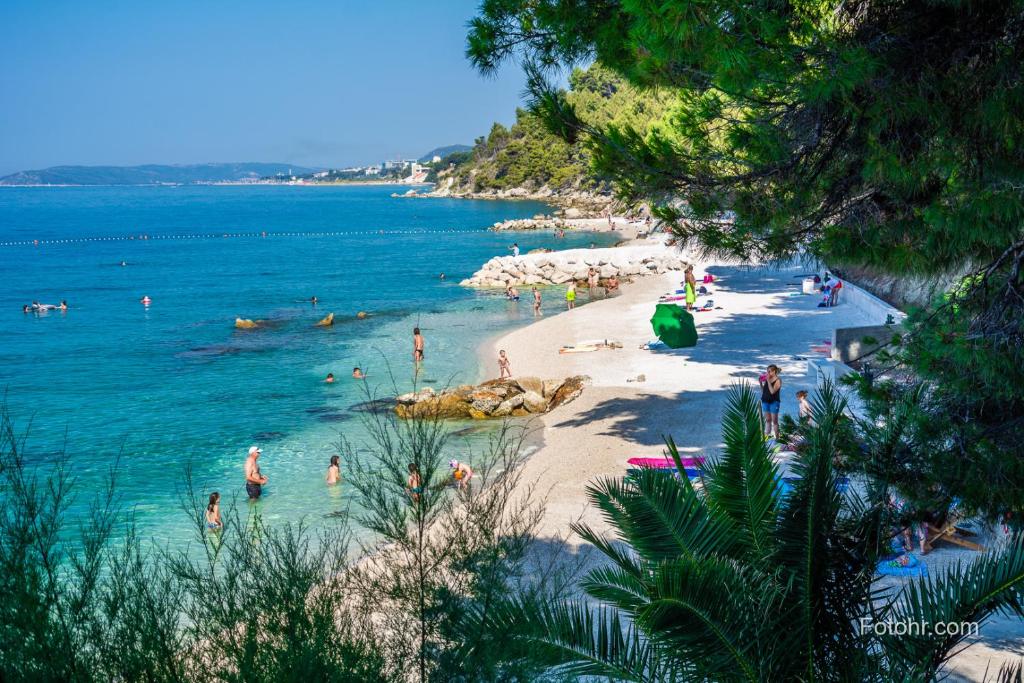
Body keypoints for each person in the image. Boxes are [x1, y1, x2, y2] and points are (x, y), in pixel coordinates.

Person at [760, 365, 783, 439]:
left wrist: (768, 381)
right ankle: (766, 437)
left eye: (769, 371)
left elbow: (772, 391)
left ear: (774, 371)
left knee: (775, 421)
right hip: (765, 401)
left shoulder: (778, 380)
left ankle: (777, 438)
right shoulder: (768, 379)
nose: (768, 373)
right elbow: (764, 391)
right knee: (768, 420)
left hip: (774, 402)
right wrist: (760, 383)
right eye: (767, 371)